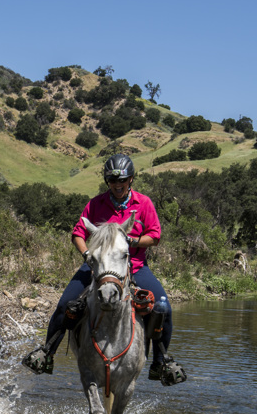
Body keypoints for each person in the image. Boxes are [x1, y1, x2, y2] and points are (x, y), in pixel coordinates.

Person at [22, 154, 186, 384]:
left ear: (131, 180)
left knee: (162, 306)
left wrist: (132, 241)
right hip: (96, 268)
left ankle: (161, 361)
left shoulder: (144, 203)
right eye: (113, 182)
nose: (118, 186)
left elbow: (155, 236)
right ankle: (47, 352)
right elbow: (78, 233)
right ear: (107, 182)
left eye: (123, 181)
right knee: (64, 305)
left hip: (134, 267)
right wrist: (87, 255)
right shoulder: (96, 204)